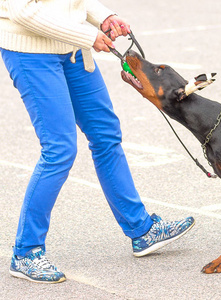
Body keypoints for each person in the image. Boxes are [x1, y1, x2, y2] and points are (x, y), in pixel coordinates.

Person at [0, 0, 195, 284]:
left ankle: (141, 230)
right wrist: (87, 35)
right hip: (31, 53)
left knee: (106, 135)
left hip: (72, 49)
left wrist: (105, 16)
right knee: (60, 149)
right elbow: (24, 11)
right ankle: (26, 252)